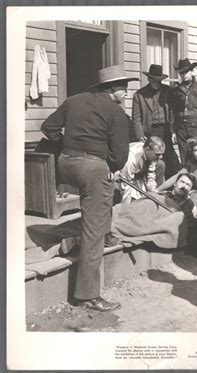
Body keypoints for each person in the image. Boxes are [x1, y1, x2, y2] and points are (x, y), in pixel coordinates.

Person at [41, 65, 137, 312]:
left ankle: (106, 235)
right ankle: (88, 296)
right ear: (113, 89)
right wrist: (108, 164)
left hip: (67, 164)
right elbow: (120, 156)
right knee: (92, 228)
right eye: (124, 89)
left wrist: (67, 145)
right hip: (92, 168)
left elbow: (48, 128)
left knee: (100, 203)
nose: (125, 94)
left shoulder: (73, 100)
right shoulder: (116, 112)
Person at [132, 64, 180, 178]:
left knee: (170, 159)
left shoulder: (168, 91)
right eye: (153, 80)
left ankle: (170, 185)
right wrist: (140, 135)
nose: (156, 83)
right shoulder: (139, 95)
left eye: (159, 81)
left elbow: (174, 112)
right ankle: (151, 185)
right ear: (148, 78)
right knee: (151, 159)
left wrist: (173, 131)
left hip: (166, 129)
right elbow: (136, 118)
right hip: (150, 131)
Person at [157, 135, 197, 203]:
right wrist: (157, 190)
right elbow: (176, 177)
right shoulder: (191, 163)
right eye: (196, 150)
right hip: (192, 195)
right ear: (192, 153)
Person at [117, 136, 166, 204]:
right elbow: (125, 185)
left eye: (161, 154)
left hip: (138, 174)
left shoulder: (150, 154)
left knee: (161, 164)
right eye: (158, 154)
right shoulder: (131, 159)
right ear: (147, 149)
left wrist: (152, 190)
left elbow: (151, 172)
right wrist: (126, 206)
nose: (161, 157)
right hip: (121, 177)